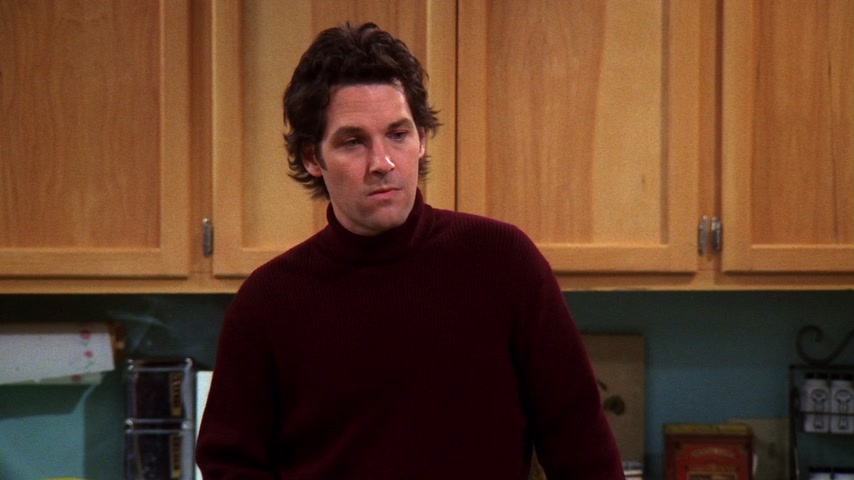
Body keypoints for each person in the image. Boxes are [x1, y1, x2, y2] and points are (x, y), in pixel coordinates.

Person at [195, 22, 624, 480]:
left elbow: (582, 446)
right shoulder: (268, 302)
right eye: (353, 141)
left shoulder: (502, 262)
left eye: (398, 134)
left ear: (421, 139)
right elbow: (229, 466)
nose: (382, 163)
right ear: (312, 158)